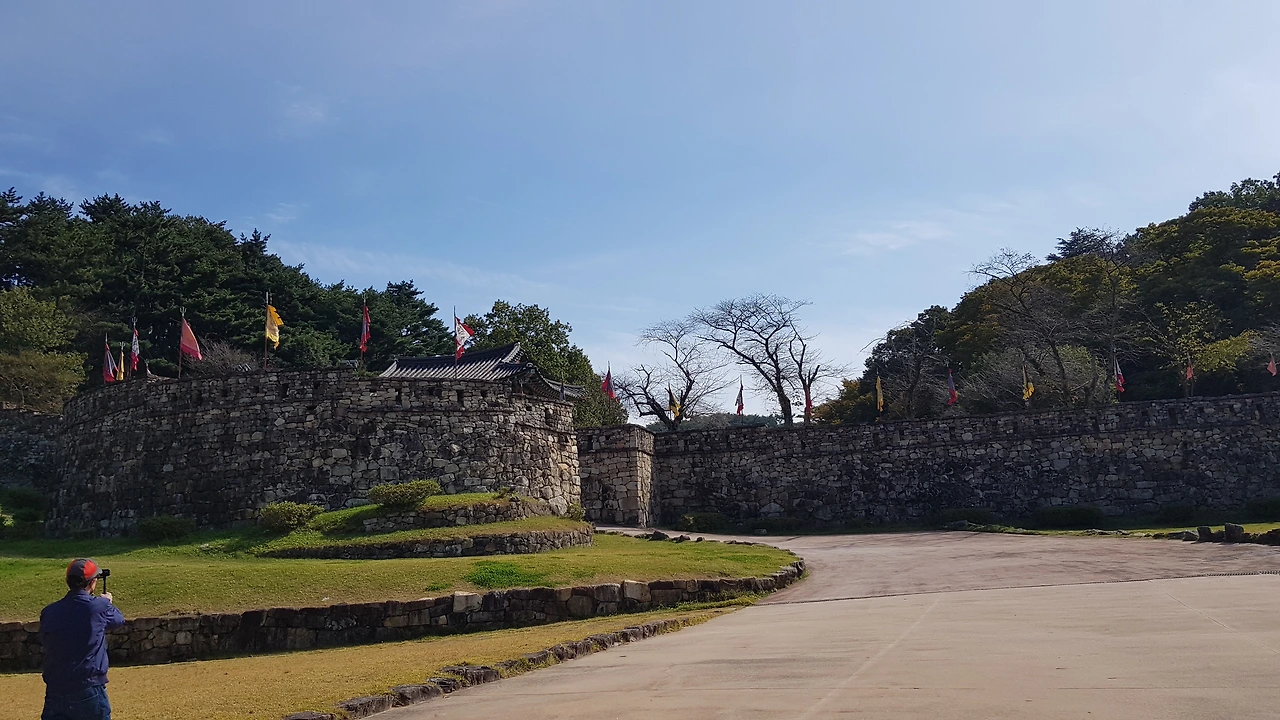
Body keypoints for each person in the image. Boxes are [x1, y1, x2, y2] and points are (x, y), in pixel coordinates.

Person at [40, 558, 125, 720]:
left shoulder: (49, 612)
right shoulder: (98, 607)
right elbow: (118, 620)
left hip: (55, 689)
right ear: (92, 582)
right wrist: (106, 602)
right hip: (87, 685)